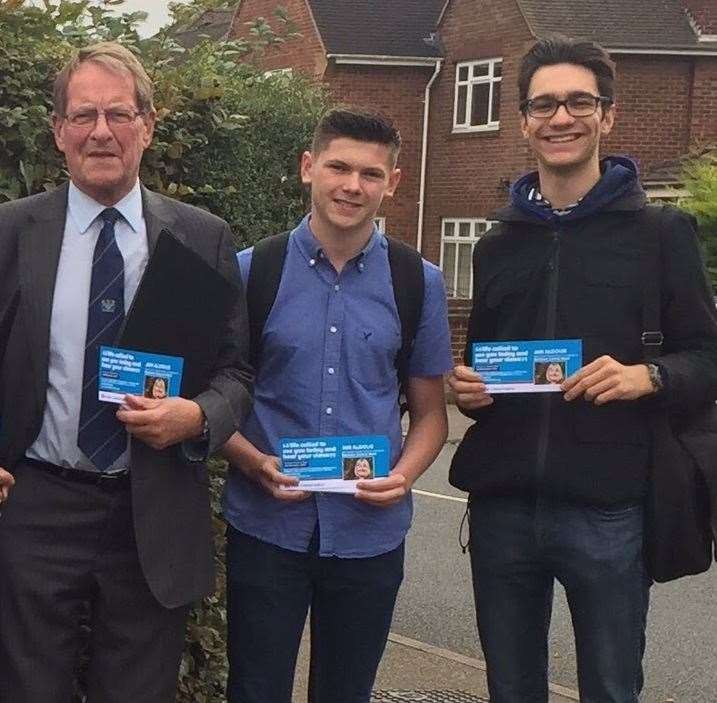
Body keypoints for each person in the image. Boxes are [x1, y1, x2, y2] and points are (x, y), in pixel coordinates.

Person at [448, 36, 717, 703]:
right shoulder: (496, 242)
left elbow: (707, 355)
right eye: (543, 104)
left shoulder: (660, 234)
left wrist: (647, 377)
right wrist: (467, 389)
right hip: (502, 506)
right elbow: (482, 360)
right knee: (510, 689)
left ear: (606, 115)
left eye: (576, 102)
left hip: (609, 507)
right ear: (523, 121)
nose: (559, 117)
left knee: (609, 687)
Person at [0, 42, 252, 703]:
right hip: (37, 505)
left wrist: (198, 416)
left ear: (148, 123)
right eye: (83, 115)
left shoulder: (201, 237)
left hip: (153, 507)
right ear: (58, 132)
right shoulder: (11, 232)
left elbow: (237, 372)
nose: (102, 131)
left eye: (119, 113)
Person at [222, 108, 452, 703]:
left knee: (348, 692)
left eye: (371, 174)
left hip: (369, 534)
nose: (353, 185)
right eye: (339, 167)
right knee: (254, 689)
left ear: (392, 183)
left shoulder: (417, 281)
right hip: (267, 527)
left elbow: (430, 414)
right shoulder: (252, 271)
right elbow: (215, 402)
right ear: (308, 169)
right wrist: (254, 464)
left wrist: (404, 477)